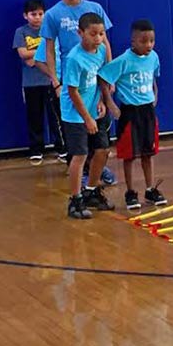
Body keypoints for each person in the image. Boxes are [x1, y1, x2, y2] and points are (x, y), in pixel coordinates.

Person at [41, 0, 117, 186]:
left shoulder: (94, 8)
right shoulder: (53, 14)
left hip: (95, 80)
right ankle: (80, 174)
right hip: (72, 79)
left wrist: (109, 74)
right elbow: (49, 48)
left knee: (100, 131)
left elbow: (106, 43)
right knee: (77, 132)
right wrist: (55, 80)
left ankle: (97, 171)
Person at [99, 19, 165, 210]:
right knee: (129, 155)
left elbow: (153, 76)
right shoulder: (123, 60)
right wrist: (110, 104)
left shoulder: (153, 57)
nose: (149, 45)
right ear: (133, 41)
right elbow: (103, 78)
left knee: (148, 153)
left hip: (147, 112)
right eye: (144, 41)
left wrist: (155, 92)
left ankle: (150, 189)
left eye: (152, 41)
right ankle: (130, 191)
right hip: (129, 112)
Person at [61, 12, 115, 220]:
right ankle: (74, 200)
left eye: (101, 34)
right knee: (80, 155)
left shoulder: (101, 50)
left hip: (95, 108)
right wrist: (87, 118)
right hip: (76, 114)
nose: (98, 38)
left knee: (102, 150)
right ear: (80, 33)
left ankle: (91, 190)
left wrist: (102, 101)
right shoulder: (74, 58)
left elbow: (101, 78)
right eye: (93, 34)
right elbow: (73, 92)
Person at [13, 0, 66, 164]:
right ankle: (36, 150)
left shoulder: (49, 31)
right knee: (34, 116)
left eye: (40, 14)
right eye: (33, 14)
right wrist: (41, 53)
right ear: (25, 15)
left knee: (56, 117)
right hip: (31, 84)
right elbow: (23, 54)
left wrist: (34, 56)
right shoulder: (21, 32)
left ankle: (62, 148)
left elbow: (51, 52)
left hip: (52, 81)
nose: (37, 17)